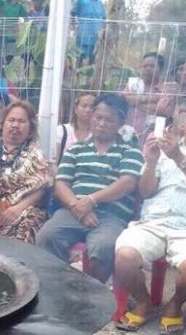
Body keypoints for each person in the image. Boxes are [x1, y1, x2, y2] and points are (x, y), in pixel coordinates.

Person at [114, 94, 186, 334]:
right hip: (153, 222)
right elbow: (146, 192)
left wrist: (178, 158)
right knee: (124, 255)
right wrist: (150, 162)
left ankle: (175, 304)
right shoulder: (164, 149)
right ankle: (143, 300)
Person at [37, 93, 143, 282]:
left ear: (121, 123)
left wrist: (92, 200)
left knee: (103, 247)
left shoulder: (130, 151)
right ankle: (56, 289)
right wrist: (78, 207)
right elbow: (61, 184)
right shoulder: (76, 149)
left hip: (112, 216)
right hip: (73, 211)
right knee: (47, 236)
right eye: (97, 117)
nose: (101, 123)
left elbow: (127, 182)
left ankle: (91, 296)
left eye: (108, 119)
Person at [0, 102, 52, 242]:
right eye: (11, 120)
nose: (15, 125)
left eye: (21, 121)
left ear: (30, 128)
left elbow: (42, 187)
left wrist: (19, 208)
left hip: (19, 210)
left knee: (29, 224)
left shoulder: (36, 155)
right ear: (3, 123)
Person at [120, 51, 173, 143]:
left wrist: (136, 101)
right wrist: (153, 100)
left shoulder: (165, 89)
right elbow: (123, 100)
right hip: (129, 133)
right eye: (144, 66)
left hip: (154, 135)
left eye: (152, 66)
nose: (148, 69)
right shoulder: (133, 84)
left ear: (160, 69)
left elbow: (163, 111)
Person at [71, 0, 106, 67]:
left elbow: (104, 18)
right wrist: (73, 28)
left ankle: (89, 80)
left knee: (92, 58)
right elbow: (73, 13)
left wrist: (102, 32)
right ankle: (77, 77)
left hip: (95, 35)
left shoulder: (100, 3)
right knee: (79, 57)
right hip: (82, 34)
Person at [56, 92, 96, 162]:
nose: (88, 110)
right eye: (84, 106)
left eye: (92, 107)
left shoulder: (99, 134)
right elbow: (53, 161)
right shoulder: (61, 131)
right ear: (76, 109)